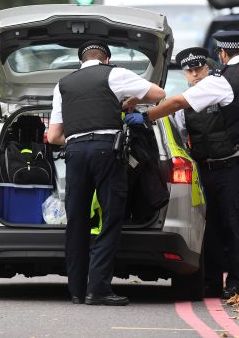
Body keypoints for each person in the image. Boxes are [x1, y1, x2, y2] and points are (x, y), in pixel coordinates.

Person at [126, 31, 239, 290]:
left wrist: (146, 117)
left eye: (199, 68)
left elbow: (175, 102)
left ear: (221, 55)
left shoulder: (221, 82)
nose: (195, 74)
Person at [46, 40, 165, 306]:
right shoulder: (115, 74)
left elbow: (53, 136)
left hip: (74, 153)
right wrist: (130, 101)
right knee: (111, 217)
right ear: (107, 60)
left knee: (76, 220)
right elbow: (159, 94)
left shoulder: (62, 84)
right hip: (107, 151)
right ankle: (97, 289)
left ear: (81, 62)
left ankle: (76, 290)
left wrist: (78, 139)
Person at [171, 47, 239, 299]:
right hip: (203, 172)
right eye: (190, 71)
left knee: (234, 225)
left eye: (199, 69)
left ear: (208, 68)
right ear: (185, 74)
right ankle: (212, 283)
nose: (195, 75)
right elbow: (182, 142)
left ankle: (236, 281)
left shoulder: (220, 92)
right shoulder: (182, 105)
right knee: (209, 228)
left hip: (231, 167)